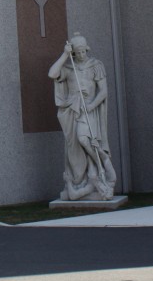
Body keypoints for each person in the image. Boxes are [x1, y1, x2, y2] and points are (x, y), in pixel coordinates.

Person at [48, 33, 117, 201]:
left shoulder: (95, 66)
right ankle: (88, 178)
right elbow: (52, 74)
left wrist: (91, 105)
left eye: (83, 52)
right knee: (75, 146)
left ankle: (103, 164)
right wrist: (65, 54)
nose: (80, 55)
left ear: (87, 49)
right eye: (77, 52)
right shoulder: (69, 67)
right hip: (73, 111)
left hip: (89, 110)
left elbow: (103, 92)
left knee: (84, 139)